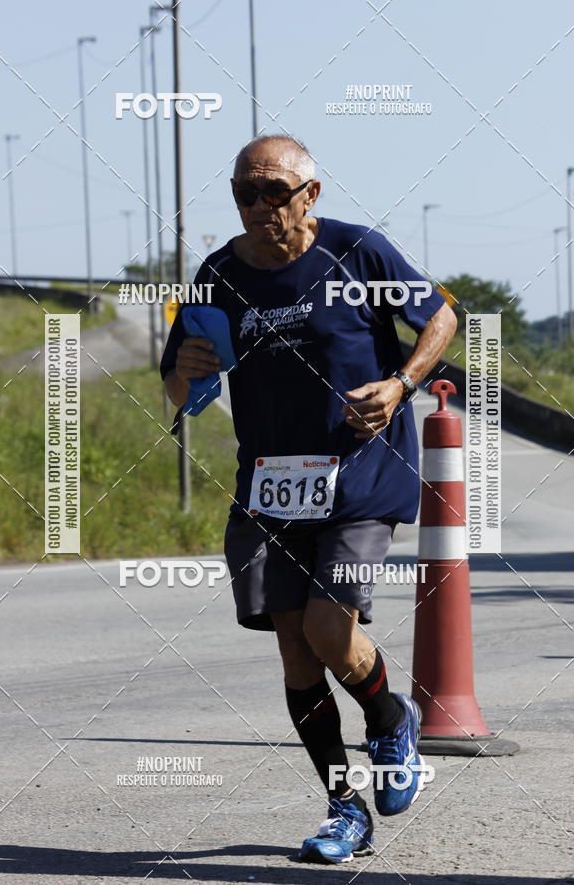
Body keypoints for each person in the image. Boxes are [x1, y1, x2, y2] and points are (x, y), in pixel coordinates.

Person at [160, 134, 457, 864]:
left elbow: (442, 317)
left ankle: (391, 721)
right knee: (296, 655)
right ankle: (343, 809)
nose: (258, 207)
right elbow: (179, 390)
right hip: (267, 486)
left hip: (360, 475)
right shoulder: (219, 275)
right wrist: (187, 371)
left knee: (331, 630)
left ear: (310, 195)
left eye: (273, 192)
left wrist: (401, 385)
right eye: (243, 193)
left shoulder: (360, 253)